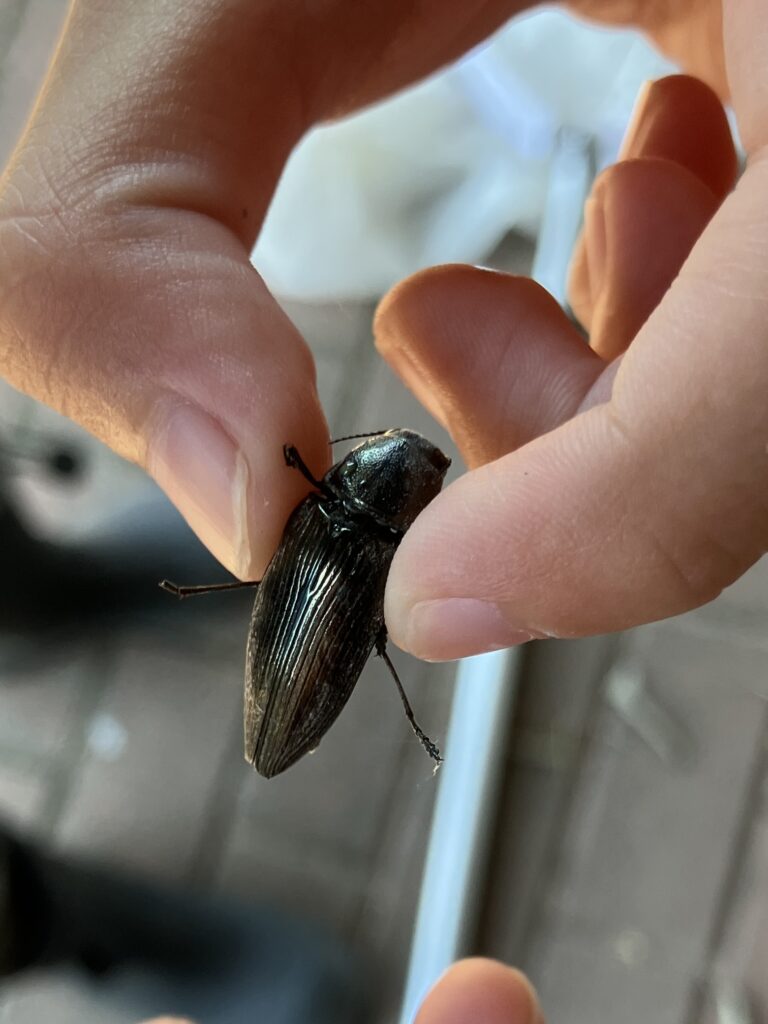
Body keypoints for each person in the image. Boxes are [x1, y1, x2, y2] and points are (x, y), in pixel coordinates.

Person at [0, 0, 762, 1019]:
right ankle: (40, 914)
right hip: (319, 592)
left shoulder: (330, 514)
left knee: (296, 576)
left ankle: (41, 597)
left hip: (312, 579)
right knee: (322, 595)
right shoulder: (350, 531)